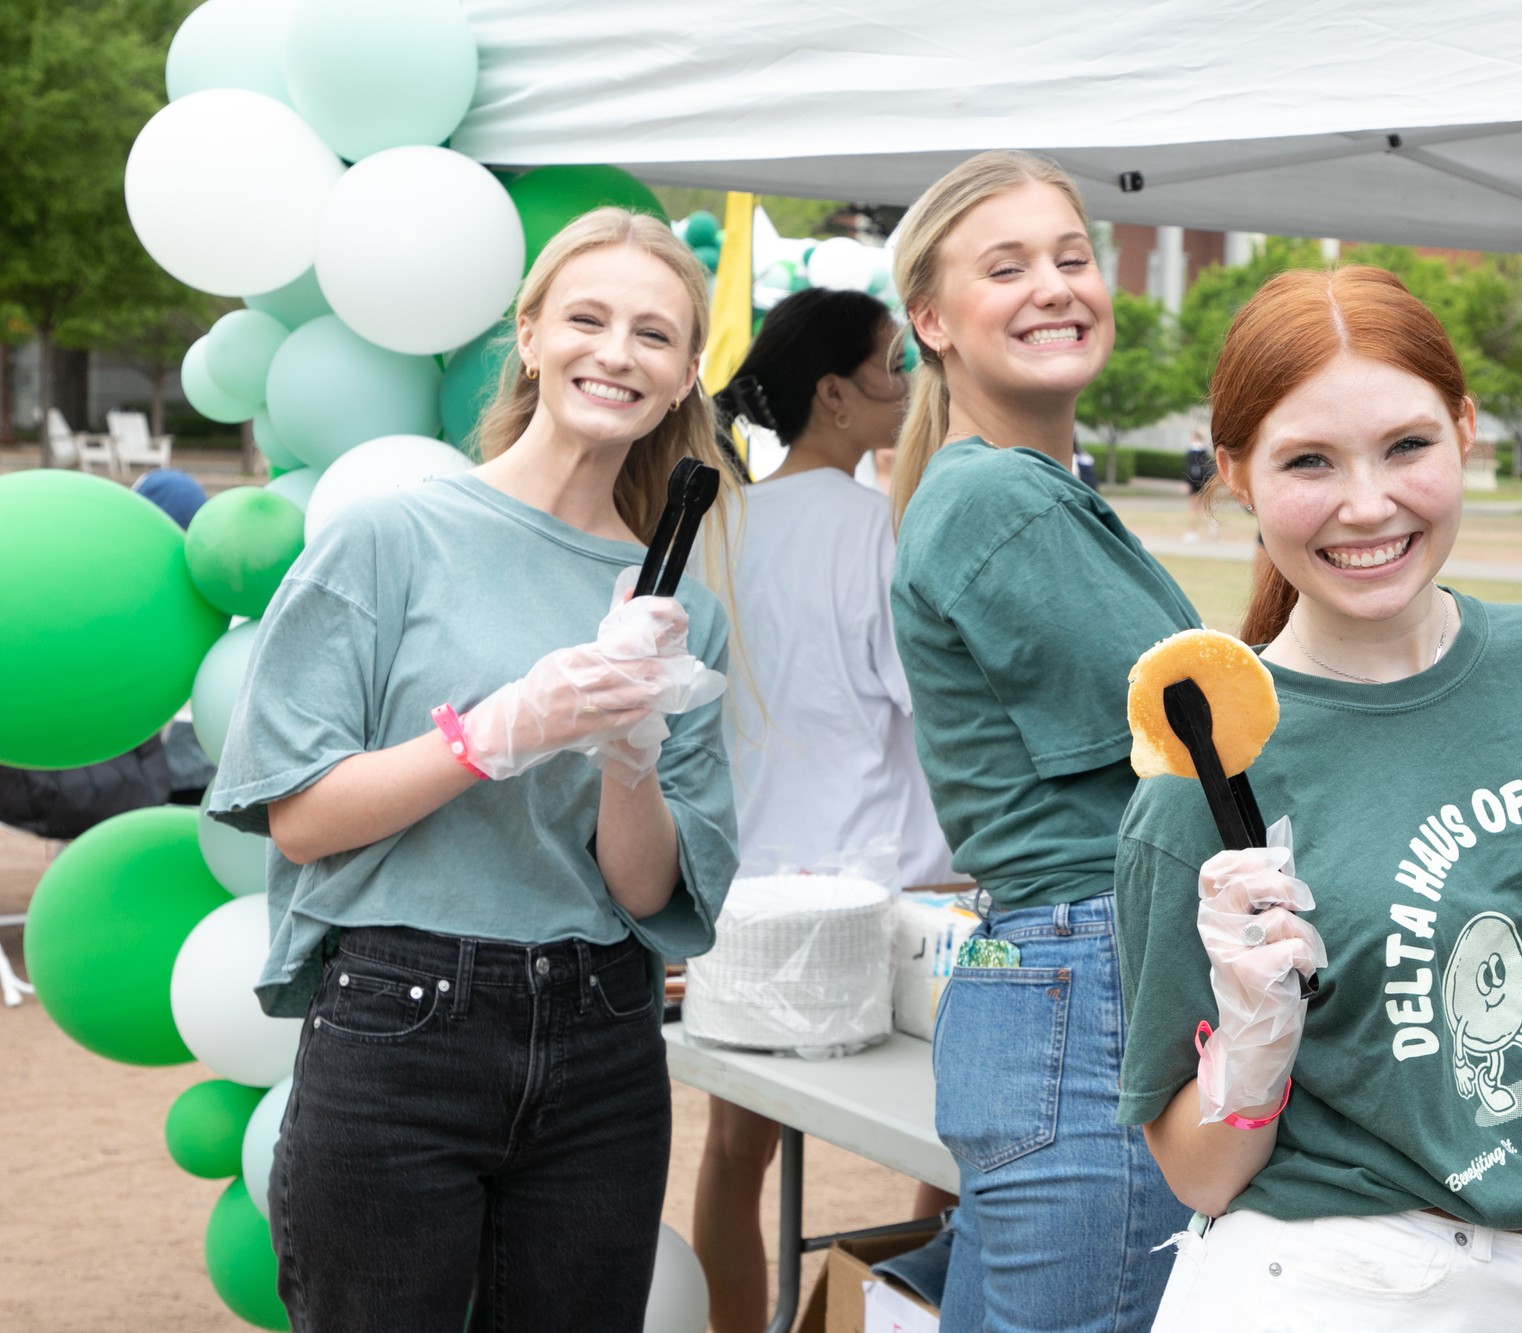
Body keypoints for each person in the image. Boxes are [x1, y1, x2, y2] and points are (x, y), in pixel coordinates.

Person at [1116, 267, 1522, 1332]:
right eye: (1307, 461)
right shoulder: (1207, 784)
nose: (1366, 503)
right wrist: (1253, 1042)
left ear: (1464, 428)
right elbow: (1196, 1175)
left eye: (1405, 445)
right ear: (1234, 475)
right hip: (1354, 1290)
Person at [205, 207, 741, 1333]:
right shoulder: (389, 537)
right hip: (400, 1027)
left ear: (688, 372)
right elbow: (300, 819)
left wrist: (629, 758)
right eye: (586, 319)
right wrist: (491, 733)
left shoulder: (678, 608)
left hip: (601, 1034)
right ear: (530, 333)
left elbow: (646, 895)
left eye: (653, 335)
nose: (616, 352)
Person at [888, 150, 1200, 1332]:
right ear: (932, 319)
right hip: (1092, 980)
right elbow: (1212, 740)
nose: (1054, 286)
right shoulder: (996, 499)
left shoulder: (1013, 486)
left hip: (1048, 979)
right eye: (1005, 265)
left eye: (1072, 257)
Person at [692, 287, 963, 1332]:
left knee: (733, 1153)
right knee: (963, 1142)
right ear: (834, 394)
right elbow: (932, 704)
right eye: (895, 366)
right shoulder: (882, 529)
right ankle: (864, 1310)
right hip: (888, 896)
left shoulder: (720, 523)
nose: (908, 387)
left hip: (745, 896)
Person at [1182, 424, 1217, 540]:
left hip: (1193, 483)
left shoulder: (1191, 453)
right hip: (1203, 482)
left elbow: (1188, 469)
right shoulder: (1204, 453)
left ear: (1194, 437)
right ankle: (1211, 526)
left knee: (1192, 508)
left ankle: (1192, 532)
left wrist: (1187, 483)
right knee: (1202, 508)